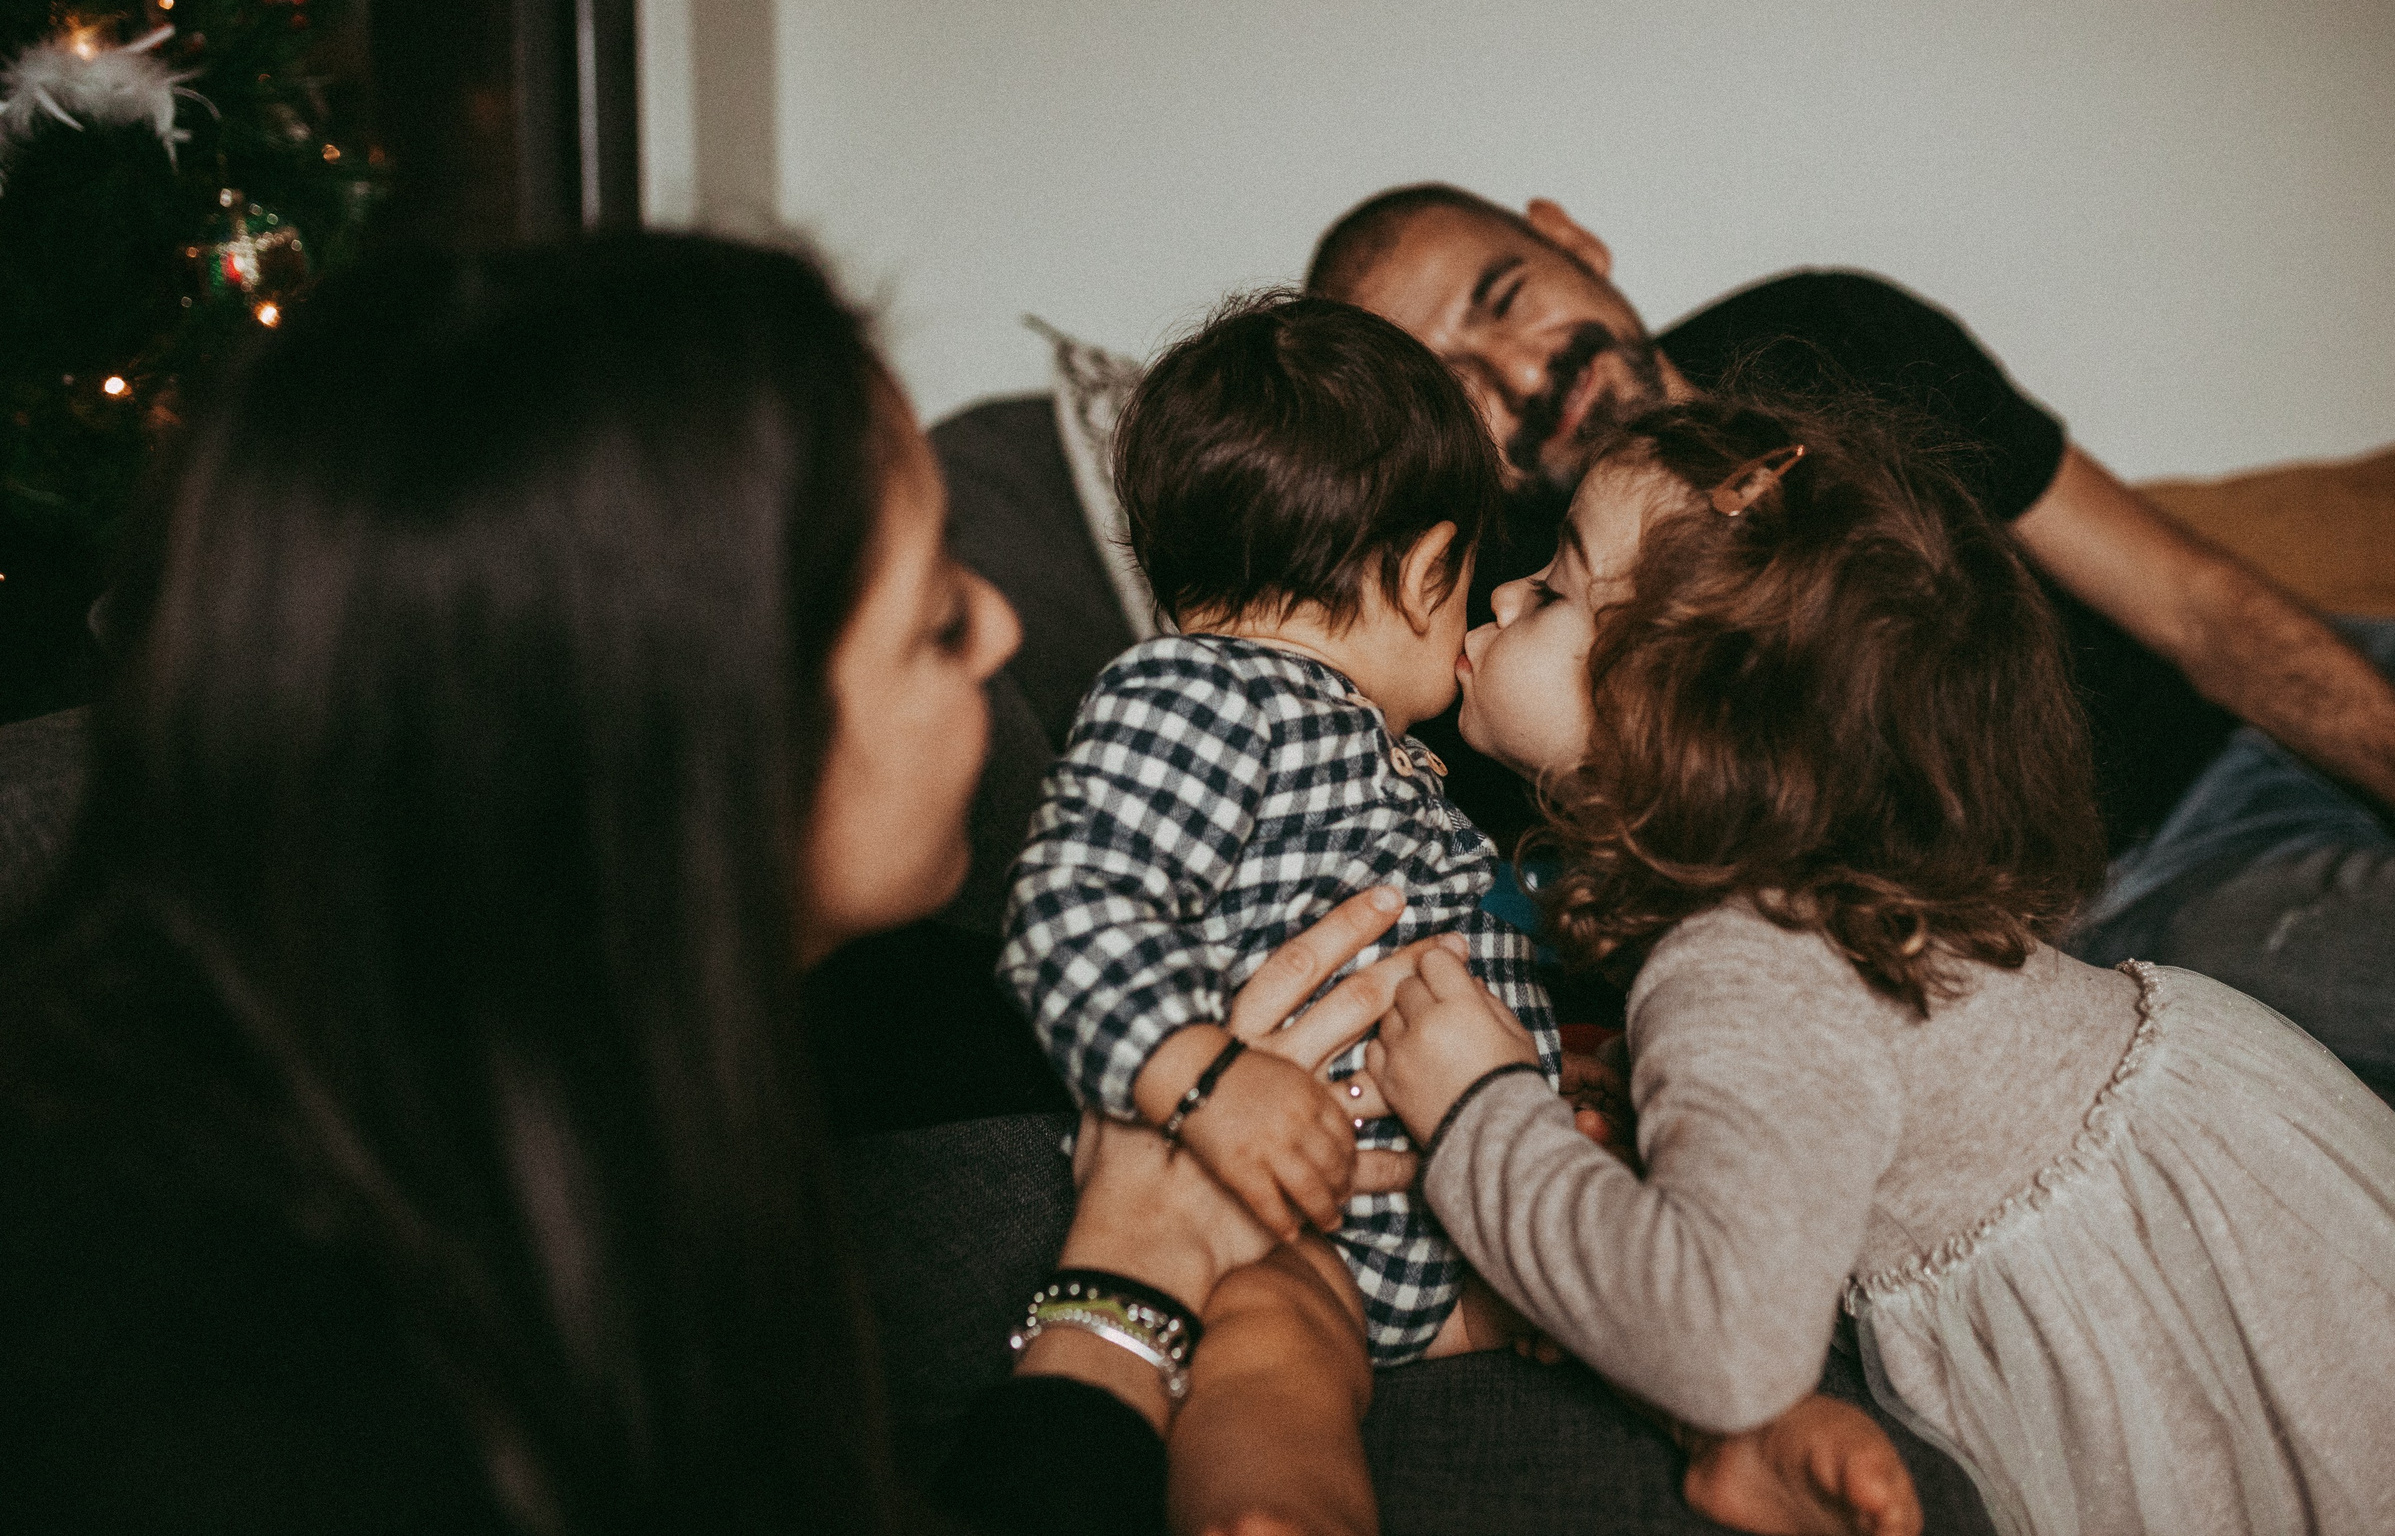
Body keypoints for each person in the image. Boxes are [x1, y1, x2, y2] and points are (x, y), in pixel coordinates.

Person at [0, 233, 1419, 1536]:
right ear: (709, 737)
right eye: (932, 614)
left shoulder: (685, 1022)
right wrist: (1126, 1282)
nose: (999, 626)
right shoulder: (227, 1355)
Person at [1367, 398, 2395, 1535]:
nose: (1509, 589)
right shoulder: (1817, 903)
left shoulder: (1736, 968)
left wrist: (1478, 1114)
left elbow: (1726, 1345)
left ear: (1678, 704)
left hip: (2147, 1304)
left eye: (1559, 585)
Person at [1309, 184, 2395, 1113]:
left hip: (2278, 694)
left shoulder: (1833, 339)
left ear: (1568, 239)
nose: (1520, 378)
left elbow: (2196, 605)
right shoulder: (1504, 639)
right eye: (1448, 385)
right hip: (2129, 899)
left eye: (1507, 300)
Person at [998, 290, 1921, 1536]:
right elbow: (1070, 908)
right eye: (1487, 576)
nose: (1492, 606)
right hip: (1285, 1217)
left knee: (1617, 1285)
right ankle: (1280, 1511)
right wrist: (1208, 1078)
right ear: (1430, 569)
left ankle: (1734, 1433)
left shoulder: (1394, 765)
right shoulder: (1195, 693)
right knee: (1271, 1359)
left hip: (1458, 1218)